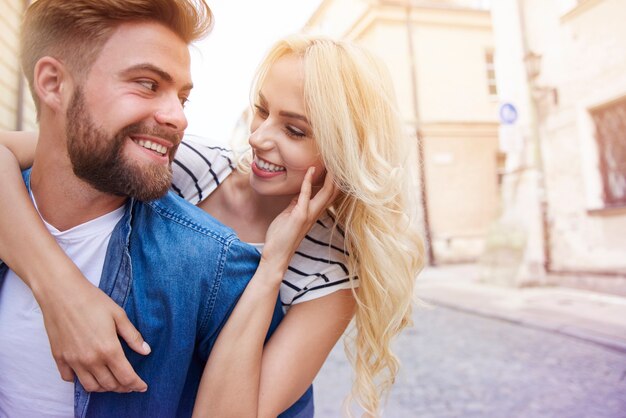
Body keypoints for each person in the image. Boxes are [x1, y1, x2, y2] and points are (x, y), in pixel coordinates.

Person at [0, 35, 424, 417]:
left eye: (294, 130)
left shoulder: (330, 272)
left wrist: (272, 265)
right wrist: (61, 292)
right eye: (261, 111)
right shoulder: (191, 165)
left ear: (343, 152)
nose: (259, 138)